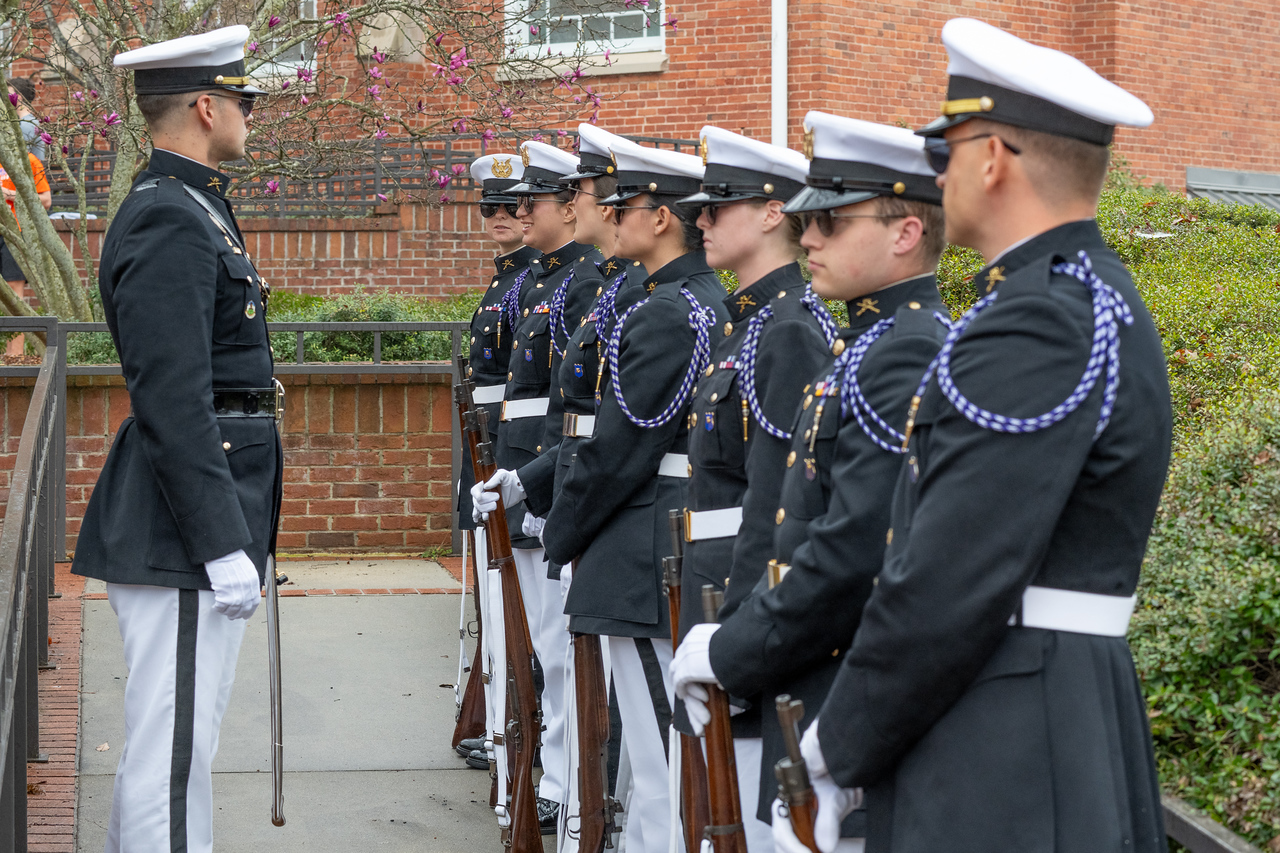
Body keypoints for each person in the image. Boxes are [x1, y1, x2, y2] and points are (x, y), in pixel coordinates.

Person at [788, 18, 1171, 853]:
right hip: (1038, 702)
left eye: (944, 152)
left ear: (992, 159)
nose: (937, 174)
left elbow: (949, 570)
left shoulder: (1038, 319)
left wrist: (836, 745)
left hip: (1009, 729)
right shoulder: (1080, 296)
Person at [671, 114, 949, 853]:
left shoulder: (908, 352)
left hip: (839, 684)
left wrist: (736, 648)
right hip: (807, 672)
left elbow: (854, 547)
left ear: (906, 232)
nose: (809, 237)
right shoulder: (870, 344)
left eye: (828, 219)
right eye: (805, 219)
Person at [70, 25, 277, 853]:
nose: (248, 114)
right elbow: (174, 397)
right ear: (204, 105)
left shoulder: (191, 205)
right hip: (182, 529)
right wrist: (221, 539)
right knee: (172, 752)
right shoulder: (170, 218)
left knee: (174, 746)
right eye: (242, 99)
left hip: (194, 519)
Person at [542, 142, 729, 853]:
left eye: (625, 207)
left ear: (662, 220)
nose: (612, 217)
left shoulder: (663, 313)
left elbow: (618, 450)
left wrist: (562, 533)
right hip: (674, 540)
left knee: (660, 770)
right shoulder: (706, 301)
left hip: (645, 548)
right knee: (663, 769)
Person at [664, 124, 831, 852]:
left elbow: (783, 499)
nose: (699, 219)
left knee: (740, 824)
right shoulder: (755, 322)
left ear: (771, 212)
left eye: (717, 206)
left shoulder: (788, 328)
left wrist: (739, 630)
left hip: (743, 591)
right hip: (712, 584)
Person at [472, 138, 605, 835]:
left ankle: (560, 777)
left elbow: (568, 404)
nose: (520, 213)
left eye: (532, 200)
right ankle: (539, 766)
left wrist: (537, 483)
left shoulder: (581, 281)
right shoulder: (546, 282)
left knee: (554, 645)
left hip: (544, 476)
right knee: (526, 641)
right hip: (521, 467)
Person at [453, 152, 539, 774]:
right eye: (490, 206)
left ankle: (507, 719)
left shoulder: (533, 279)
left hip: (507, 442)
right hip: (484, 437)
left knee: (506, 590)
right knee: (490, 589)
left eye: (512, 205)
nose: (501, 216)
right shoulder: (505, 276)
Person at [0, 150, 52, 356]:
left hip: (15, 232)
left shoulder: (27, 159)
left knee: (13, 293)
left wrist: (8, 194)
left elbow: (45, 200)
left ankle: (14, 355)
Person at [8, 77, 44, 162]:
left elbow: (19, 159)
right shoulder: (30, 121)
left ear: (18, 97)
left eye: (8, 94)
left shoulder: (25, 125)